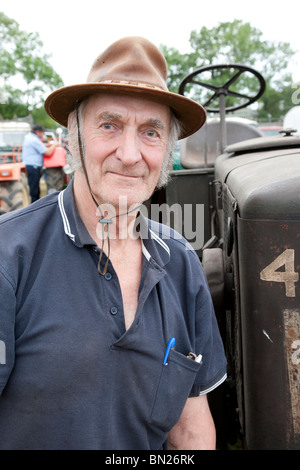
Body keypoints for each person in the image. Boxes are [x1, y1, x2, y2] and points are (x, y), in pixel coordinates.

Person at [0, 36, 226, 450]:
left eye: (151, 132)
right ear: (75, 137)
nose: (129, 153)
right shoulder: (8, 256)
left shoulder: (180, 262)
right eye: (110, 125)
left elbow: (190, 429)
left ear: (167, 150)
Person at [22, 124, 59, 202]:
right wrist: (54, 145)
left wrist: (49, 144)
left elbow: (40, 145)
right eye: (42, 132)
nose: (43, 134)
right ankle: (34, 205)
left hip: (30, 165)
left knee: (34, 186)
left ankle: (34, 203)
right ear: (37, 132)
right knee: (34, 189)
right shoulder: (34, 140)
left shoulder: (29, 137)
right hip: (34, 167)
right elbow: (48, 153)